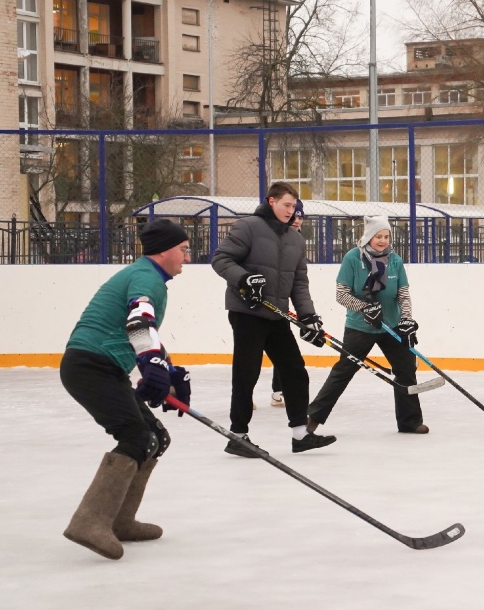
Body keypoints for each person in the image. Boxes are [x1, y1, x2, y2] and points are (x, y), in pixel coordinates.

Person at [60, 219, 193, 560]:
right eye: (183, 249)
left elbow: (140, 330)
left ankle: (120, 521)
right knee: (137, 438)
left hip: (104, 367)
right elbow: (138, 321)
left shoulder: (146, 275)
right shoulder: (147, 277)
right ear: (164, 250)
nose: (187, 258)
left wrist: (168, 367)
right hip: (90, 367)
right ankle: (90, 522)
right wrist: (151, 364)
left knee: (154, 436)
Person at [211, 182, 335, 456]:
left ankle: (301, 434)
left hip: (275, 314)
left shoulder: (296, 240)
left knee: (295, 370)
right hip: (247, 313)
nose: (291, 212)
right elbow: (221, 259)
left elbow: (299, 284)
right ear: (271, 201)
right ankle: (238, 435)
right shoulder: (248, 227)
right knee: (247, 373)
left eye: (294, 207)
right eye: (286, 205)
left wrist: (308, 316)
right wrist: (244, 279)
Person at [306, 216, 427, 434]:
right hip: (360, 326)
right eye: (378, 236)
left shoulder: (395, 260)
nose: (382, 241)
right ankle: (313, 418)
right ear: (369, 237)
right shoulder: (353, 258)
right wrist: (364, 308)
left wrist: (407, 319)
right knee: (343, 370)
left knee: (406, 369)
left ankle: (410, 422)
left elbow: (403, 294)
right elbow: (341, 295)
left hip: (391, 325)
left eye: (386, 236)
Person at [270, 198, 306, 408]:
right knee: (252, 356)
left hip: (281, 304)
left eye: (300, 216)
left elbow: (297, 278)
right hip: (260, 303)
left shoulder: (297, 240)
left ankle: (279, 390)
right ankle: (245, 396)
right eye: (293, 215)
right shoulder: (272, 236)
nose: (296, 220)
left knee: (284, 351)